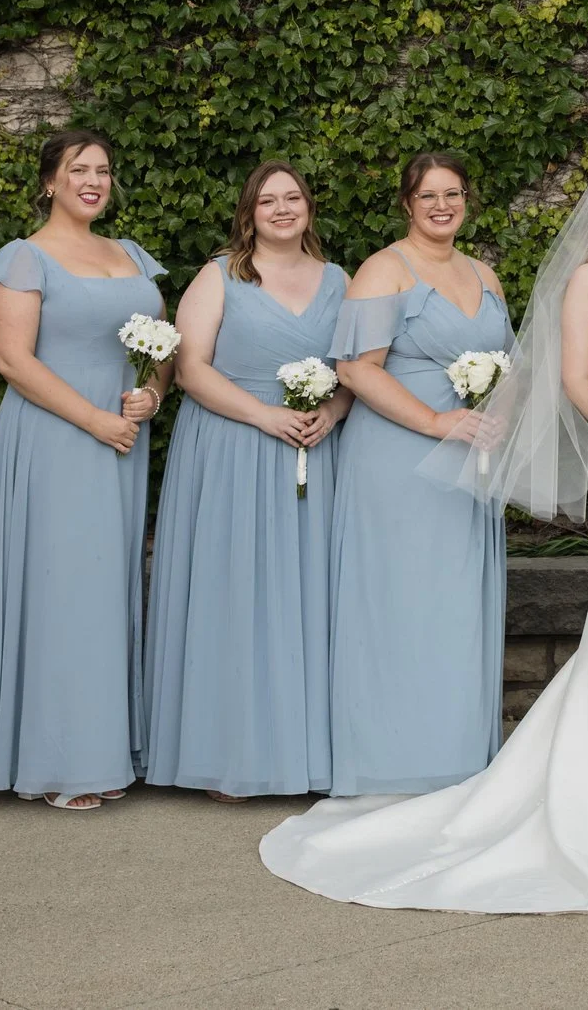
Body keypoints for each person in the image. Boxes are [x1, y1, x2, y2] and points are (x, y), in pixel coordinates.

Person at [261, 145, 588, 912]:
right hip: (573, 454)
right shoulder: (548, 279)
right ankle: (420, 763)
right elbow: (558, 376)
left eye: (453, 192)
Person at [0, 130, 169, 811]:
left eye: (103, 169)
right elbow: (13, 359)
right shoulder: (23, 256)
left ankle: (104, 747)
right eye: (79, 169)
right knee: (61, 589)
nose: (93, 180)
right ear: (50, 181)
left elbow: (165, 346)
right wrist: (94, 418)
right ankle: (58, 760)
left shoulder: (130, 255)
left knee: (106, 590)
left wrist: (152, 393)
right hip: (55, 437)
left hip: (122, 440)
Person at [142, 161, 352, 800]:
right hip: (234, 446)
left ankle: (308, 754)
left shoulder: (341, 281)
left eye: (293, 198)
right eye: (269, 201)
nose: (283, 209)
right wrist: (266, 416)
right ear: (249, 212)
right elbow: (190, 369)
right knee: (237, 596)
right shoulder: (220, 276)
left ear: (309, 207)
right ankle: (231, 755)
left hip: (316, 450)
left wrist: (333, 412)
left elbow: (357, 370)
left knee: (311, 597)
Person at [323, 152, 513, 796]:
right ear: (407, 202)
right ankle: (392, 759)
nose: (442, 204)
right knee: (401, 602)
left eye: (453, 192)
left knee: (455, 607)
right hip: (398, 460)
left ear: (467, 200)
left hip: (468, 462)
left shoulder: (484, 273)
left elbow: (507, 363)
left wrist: (500, 414)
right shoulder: (384, 270)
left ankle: (457, 755)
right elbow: (356, 369)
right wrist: (438, 421)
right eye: (428, 194)